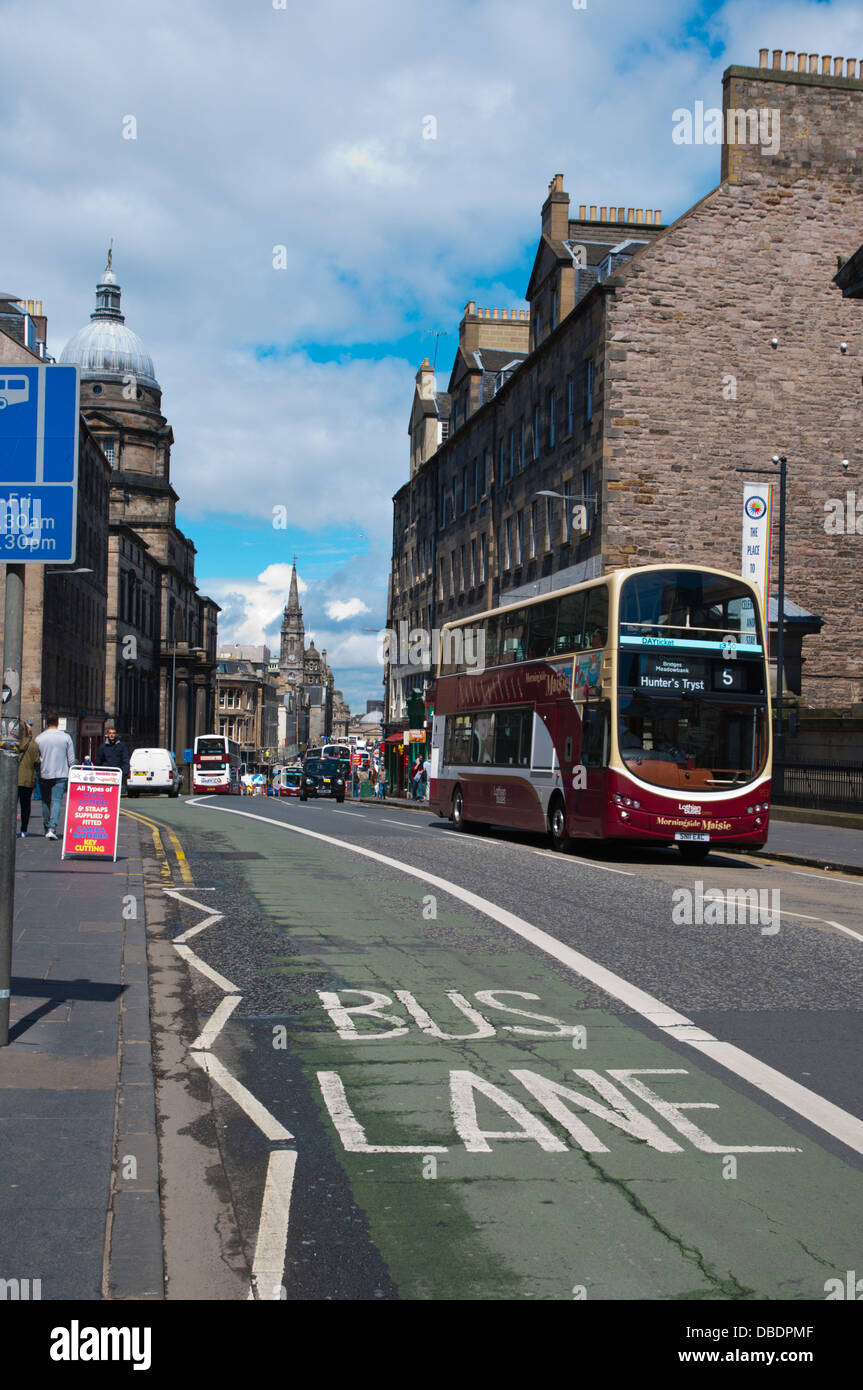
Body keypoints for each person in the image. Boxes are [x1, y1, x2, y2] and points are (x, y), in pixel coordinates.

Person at [35, 712, 76, 840]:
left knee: (46, 801)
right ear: (58, 722)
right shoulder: (66, 737)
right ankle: (52, 828)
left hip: (45, 773)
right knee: (57, 801)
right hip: (61, 773)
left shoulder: (39, 738)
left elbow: (37, 759)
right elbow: (71, 759)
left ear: (46, 722)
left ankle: (47, 827)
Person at [17, 721, 40, 838]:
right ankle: (24, 829)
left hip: (14, 779)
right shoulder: (33, 745)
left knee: (11, 805)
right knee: (25, 805)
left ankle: (9, 827)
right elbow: (37, 762)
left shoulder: (15, 744)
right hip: (27, 779)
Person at [95, 726, 131, 792]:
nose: (112, 735)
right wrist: (97, 771)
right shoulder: (103, 747)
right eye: (110, 733)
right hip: (105, 774)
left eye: (113, 733)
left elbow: (125, 759)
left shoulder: (122, 746)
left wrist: (125, 772)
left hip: (117, 773)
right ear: (107, 735)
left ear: (116, 735)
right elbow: (98, 760)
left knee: (116, 793)